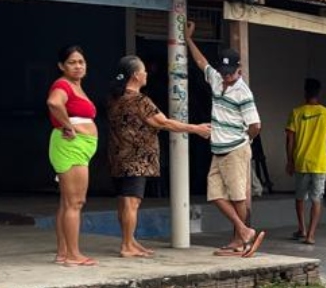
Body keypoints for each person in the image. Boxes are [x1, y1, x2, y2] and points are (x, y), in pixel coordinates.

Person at [107, 55, 211, 258]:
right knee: (132, 202)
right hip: (136, 159)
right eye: (144, 71)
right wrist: (196, 128)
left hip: (117, 156)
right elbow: (163, 123)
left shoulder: (114, 98)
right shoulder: (139, 100)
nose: (146, 74)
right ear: (136, 75)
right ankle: (127, 245)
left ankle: (130, 240)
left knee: (123, 201)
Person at [185, 21, 266, 257]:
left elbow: (255, 125)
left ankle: (240, 240)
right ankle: (244, 232)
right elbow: (202, 64)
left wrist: (244, 141)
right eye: (224, 72)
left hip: (235, 149)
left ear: (239, 70)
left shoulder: (243, 92)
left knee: (238, 196)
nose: (227, 76)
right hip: (219, 150)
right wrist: (189, 39)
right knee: (215, 194)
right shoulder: (218, 79)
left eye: (231, 73)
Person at [46, 45, 98, 267]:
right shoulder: (62, 85)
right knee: (75, 202)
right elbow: (53, 103)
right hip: (71, 147)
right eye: (72, 62)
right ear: (61, 66)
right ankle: (73, 255)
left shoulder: (76, 86)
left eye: (81, 62)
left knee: (67, 203)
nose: (78, 66)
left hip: (79, 147)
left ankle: (63, 253)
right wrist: (68, 125)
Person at [286, 78, 326, 244]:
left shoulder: (296, 112)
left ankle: (302, 228)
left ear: (305, 92)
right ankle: (311, 235)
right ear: (319, 93)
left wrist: (290, 161)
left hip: (302, 161)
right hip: (320, 163)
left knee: (300, 198)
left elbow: (290, 141)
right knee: (316, 199)